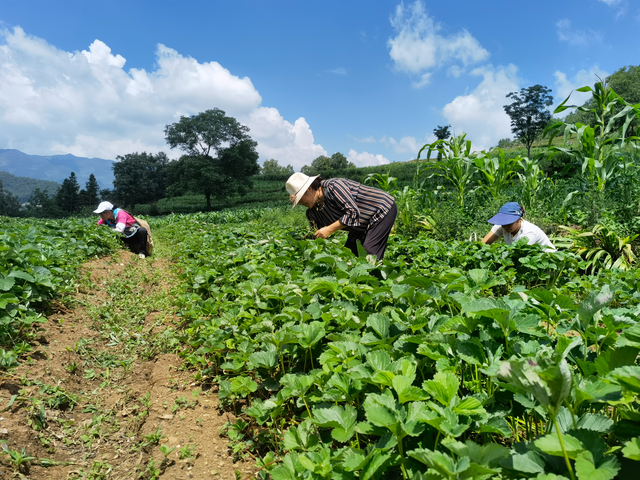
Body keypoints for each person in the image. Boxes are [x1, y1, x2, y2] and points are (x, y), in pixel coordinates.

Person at [286, 172, 397, 260]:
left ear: (309, 189)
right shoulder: (313, 212)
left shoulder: (334, 186)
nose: (301, 204)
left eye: (300, 199)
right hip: (360, 223)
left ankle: (374, 284)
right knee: (350, 253)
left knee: (369, 252)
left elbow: (353, 212)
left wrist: (329, 229)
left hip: (381, 209)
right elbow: (316, 235)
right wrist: (300, 241)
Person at [481, 202, 556, 251]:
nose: (505, 226)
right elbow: (484, 243)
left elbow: (521, 257)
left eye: (509, 223)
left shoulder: (528, 232)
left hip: (549, 263)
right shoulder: (501, 225)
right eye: (503, 223)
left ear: (518, 219)